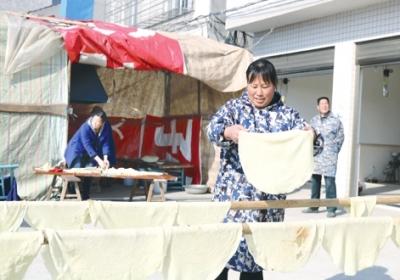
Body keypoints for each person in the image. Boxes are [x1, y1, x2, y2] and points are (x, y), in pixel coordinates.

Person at [207, 58, 309, 280]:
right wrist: (227, 132)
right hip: (232, 198)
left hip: (266, 203)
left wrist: (313, 136)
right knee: (220, 256)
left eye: (265, 86)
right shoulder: (234, 108)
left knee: (254, 260)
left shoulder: (287, 115)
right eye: (254, 86)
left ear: (275, 85)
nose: (259, 92)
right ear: (247, 85)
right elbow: (211, 129)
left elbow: (312, 144)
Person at [303, 97, 344, 218]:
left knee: (330, 182)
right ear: (317, 107)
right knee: (315, 180)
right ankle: (313, 206)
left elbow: (341, 137)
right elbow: (309, 136)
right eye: (322, 104)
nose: (324, 105)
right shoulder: (314, 120)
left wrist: (334, 150)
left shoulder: (336, 121)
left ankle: (331, 208)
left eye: (326, 103)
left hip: (329, 156)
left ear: (329, 105)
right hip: (316, 155)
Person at [64, 106, 116, 200]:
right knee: (77, 169)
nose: (95, 123)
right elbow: (87, 146)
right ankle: (72, 193)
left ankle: (85, 196)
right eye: (94, 121)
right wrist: (100, 161)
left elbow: (105, 142)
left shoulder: (105, 126)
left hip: (90, 153)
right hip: (76, 150)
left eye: (98, 122)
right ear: (91, 118)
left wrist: (105, 159)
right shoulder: (85, 127)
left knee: (91, 169)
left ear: (102, 122)